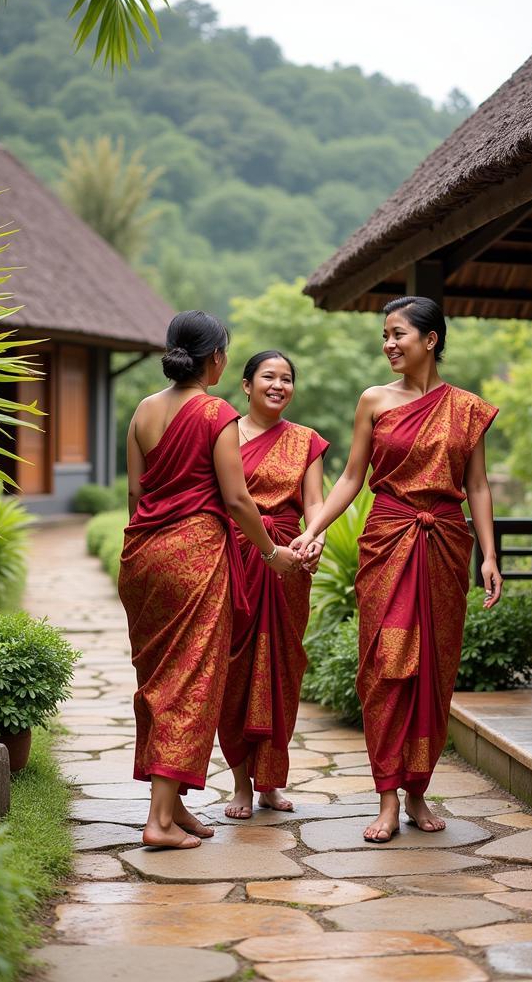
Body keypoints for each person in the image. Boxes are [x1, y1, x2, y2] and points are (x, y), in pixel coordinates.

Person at [292, 296, 502, 843]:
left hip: (446, 546)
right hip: (388, 540)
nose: (388, 344)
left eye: (398, 334)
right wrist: (311, 530)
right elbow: (349, 478)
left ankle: (416, 792)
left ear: (430, 340)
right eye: (384, 335)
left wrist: (491, 556)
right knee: (386, 667)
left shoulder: (468, 408)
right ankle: (387, 795)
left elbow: (477, 485)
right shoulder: (374, 401)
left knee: (434, 671)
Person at [118, 311, 300, 850]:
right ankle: (158, 822)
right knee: (190, 681)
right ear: (217, 358)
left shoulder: (144, 410)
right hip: (194, 557)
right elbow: (238, 499)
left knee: (157, 679)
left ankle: (174, 809)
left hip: (143, 556)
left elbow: (134, 496)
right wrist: (270, 553)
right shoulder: (216, 412)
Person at [218, 351, 329, 819]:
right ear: (246, 385)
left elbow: (315, 504)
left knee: (282, 669)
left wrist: (316, 538)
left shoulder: (306, 441)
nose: (278, 385)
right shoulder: (222, 435)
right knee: (236, 669)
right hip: (235, 560)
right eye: (269, 377)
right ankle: (241, 783)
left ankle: (270, 783)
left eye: (287, 379)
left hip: (287, 569)